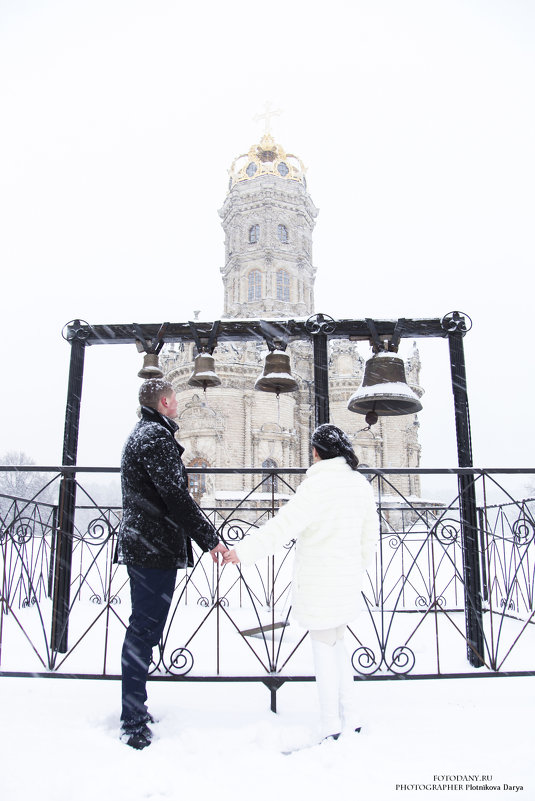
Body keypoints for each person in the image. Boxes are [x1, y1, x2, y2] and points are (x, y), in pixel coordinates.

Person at [223, 423, 379, 743]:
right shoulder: (360, 485)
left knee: (324, 649)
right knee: (338, 645)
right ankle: (353, 714)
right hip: (346, 579)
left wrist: (244, 552)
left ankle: (330, 723)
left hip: (321, 581)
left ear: (318, 452)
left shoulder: (317, 487)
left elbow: (282, 527)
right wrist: (353, 567)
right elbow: (369, 539)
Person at [117, 378, 228, 749]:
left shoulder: (147, 434)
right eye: (175, 400)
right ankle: (132, 719)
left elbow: (168, 495)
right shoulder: (154, 437)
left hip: (149, 544)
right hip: (151, 547)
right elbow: (175, 497)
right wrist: (210, 539)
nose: (178, 404)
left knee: (144, 629)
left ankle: (135, 709)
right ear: (164, 402)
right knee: (143, 631)